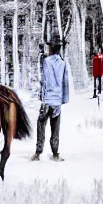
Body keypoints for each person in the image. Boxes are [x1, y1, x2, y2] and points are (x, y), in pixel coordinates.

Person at [31, 34, 69, 162]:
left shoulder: (46, 62)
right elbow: (65, 83)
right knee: (55, 127)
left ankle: (38, 152)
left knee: (41, 124)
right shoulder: (63, 63)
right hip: (57, 100)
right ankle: (55, 153)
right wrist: (63, 100)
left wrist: (42, 97)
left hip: (48, 99)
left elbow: (46, 81)